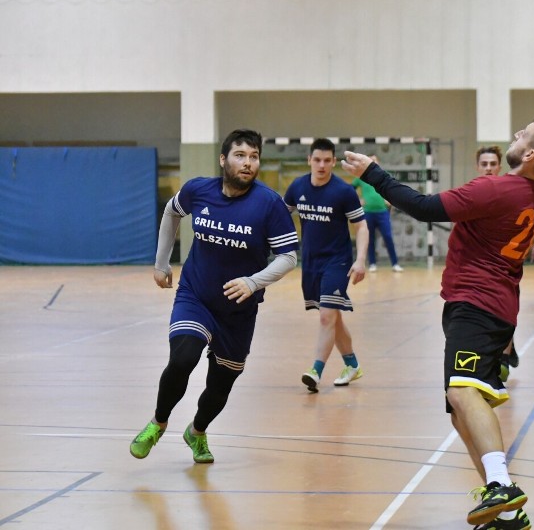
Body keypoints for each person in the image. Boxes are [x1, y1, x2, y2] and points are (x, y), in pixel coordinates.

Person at [342, 115, 534, 530]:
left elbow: (426, 208)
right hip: (489, 303)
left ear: (532, 153)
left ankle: (501, 484)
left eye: (523, 135)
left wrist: (372, 173)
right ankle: (506, 512)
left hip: (478, 303)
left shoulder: (498, 188)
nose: (515, 137)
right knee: (458, 409)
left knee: (463, 391)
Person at [129, 128, 299, 464]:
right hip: (196, 295)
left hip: (238, 311)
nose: (247, 163)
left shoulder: (269, 204)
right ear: (223, 159)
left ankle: (197, 431)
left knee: (219, 387)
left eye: (253, 157)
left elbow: (288, 257)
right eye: (240, 155)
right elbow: (172, 211)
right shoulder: (199, 190)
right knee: (182, 358)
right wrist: (161, 263)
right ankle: (158, 423)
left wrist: (254, 282)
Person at [283, 138, 369, 393]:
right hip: (310, 261)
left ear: (333, 162)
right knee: (333, 317)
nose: (321, 165)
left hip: (337, 261)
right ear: (309, 160)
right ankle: (352, 365)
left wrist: (361, 259)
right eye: (317, 160)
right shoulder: (297, 187)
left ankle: (315, 371)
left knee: (326, 316)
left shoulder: (343, 192)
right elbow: (278, 216)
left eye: (327, 160)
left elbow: (361, 226)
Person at [474, 145, 519, 383]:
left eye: (493, 164)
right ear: (477, 167)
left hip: (504, 267)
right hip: (477, 268)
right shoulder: (471, 194)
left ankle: (503, 357)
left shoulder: (508, 192)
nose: (489, 168)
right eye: (484, 164)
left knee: (506, 312)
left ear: (499, 167)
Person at [352, 155, 404, 273]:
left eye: (375, 160)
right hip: (368, 212)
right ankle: (372, 264)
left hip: (382, 212)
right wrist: (358, 200)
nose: (373, 162)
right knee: (369, 239)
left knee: (388, 237)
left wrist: (390, 199)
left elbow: (393, 189)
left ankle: (395, 264)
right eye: (371, 160)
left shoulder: (383, 175)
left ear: (378, 162)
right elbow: (351, 189)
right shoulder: (361, 177)